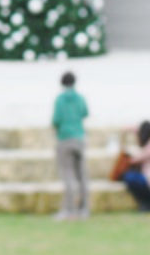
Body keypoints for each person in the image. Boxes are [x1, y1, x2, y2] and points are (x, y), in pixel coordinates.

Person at [51, 71, 90, 220]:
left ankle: (69, 209)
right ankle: (84, 209)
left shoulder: (60, 100)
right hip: (79, 137)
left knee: (67, 175)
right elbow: (85, 113)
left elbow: (56, 119)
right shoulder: (80, 98)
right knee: (82, 176)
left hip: (65, 137)